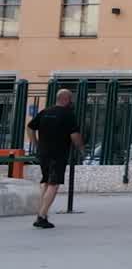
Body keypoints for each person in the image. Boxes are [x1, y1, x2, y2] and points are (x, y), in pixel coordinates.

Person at [25, 89, 84, 229]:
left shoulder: (45, 112)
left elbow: (30, 127)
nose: (71, 102)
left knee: (46, 182)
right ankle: (41, 216)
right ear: (65, 99)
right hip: (58, 154)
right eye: (70, 99)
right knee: (54, 184)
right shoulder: (68, 114)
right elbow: (74, 135)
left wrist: (35, 143)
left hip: (43, 153)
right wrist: (81, 148)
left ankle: (41, 214)